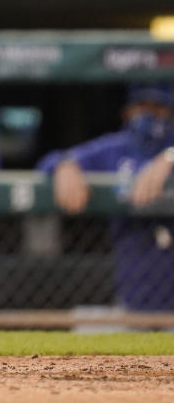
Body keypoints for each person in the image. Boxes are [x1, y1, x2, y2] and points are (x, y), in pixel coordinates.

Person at [37, 83, 174, 311]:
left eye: (158, 108)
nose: (150, 115)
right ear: (127, 112)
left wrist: (170, 156)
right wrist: (64, 165)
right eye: (142, 107)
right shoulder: (116, 148)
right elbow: (49, 162)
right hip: (134, 291)